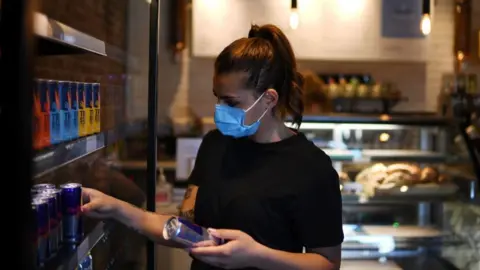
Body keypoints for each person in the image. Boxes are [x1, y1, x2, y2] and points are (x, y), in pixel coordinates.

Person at [81, 24, 344, 270]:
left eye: (231, 102)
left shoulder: (311, 167)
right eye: (217, 98)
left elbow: (327, 263)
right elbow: (185, 229)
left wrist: (256, 254)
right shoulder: (215, 144)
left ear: (268, 99)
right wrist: (116, 207)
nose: (219, 110)